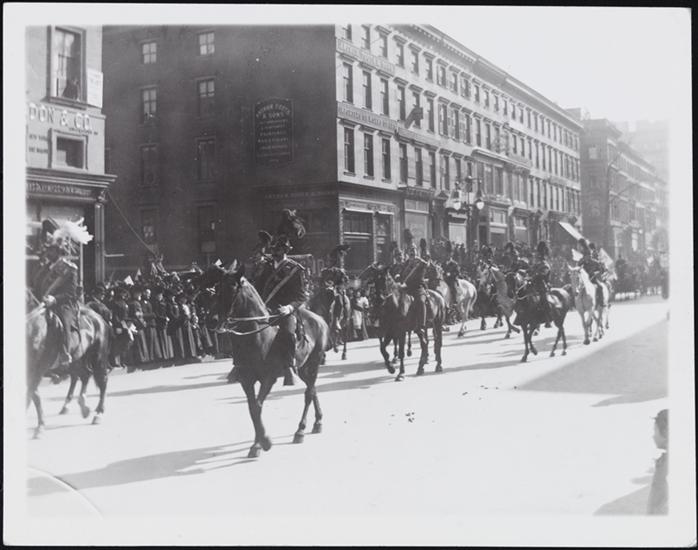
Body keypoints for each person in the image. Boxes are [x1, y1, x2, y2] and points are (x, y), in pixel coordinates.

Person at [252, 234, 308, 386]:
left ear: (285, 250)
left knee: (288, 333)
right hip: (266, 308)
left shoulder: (295, 269)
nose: (274, 252)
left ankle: (289, 367)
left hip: (285, 310)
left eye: (278, 250)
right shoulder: (266, 267)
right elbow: (257, 289)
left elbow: (301, 296)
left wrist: (289, 307)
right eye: (273, 249)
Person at [32, 229, 81, 379]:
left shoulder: (69, 269)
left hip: (63, 304)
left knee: (63, 322)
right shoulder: (45, 267)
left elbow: (71, 294)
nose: (48, 253)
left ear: (59, 251)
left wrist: (55, 299)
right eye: (48, 250)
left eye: (51, 250)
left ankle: (65, 354)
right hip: (42, 302)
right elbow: (37, 285)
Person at [400, 244, 431, 328]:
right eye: (410, 251)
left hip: (418, 287)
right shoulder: (405, 264)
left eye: (413, 250)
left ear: (416, 252)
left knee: (421, 302)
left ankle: (422, 325)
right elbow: (401, 274)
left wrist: (422, 261)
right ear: (408, 253)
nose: (412, 253)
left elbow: (427, 265)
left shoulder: (420, 262)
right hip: (406, 288)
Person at [648, 409, 668, 514]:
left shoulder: (667, 466)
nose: (653, 436)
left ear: (665, 433)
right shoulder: (665, 462)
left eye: (655, 431)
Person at [529, 240, 553, 327]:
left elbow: (544, 273)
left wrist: (536, 274)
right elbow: (531, 269)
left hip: (543, 283)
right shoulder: (536, 262)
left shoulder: (545, 263)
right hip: (533, 282)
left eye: (538, 257)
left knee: (544, 300)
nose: (537, 257)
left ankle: (548, 319)